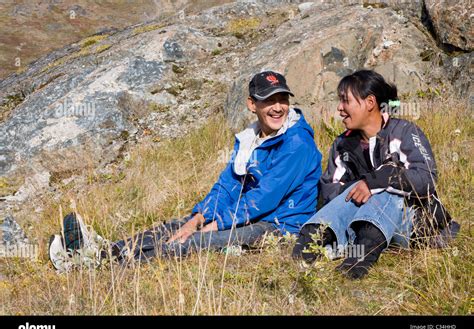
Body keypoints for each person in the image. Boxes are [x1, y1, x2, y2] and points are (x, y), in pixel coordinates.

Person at [49, 71, 322, 270]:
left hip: (279, 225)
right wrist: (197, 219)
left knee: (187, 244)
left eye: (282, 99)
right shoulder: (251, 138)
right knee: (175, 227)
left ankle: (97, 269)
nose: (278, 107)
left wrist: (213, 227)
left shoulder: (297, 143)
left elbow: (264, 199)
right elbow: (227, 185)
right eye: (268, 100)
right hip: (252, 215)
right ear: (252, 105)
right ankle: (102, 253)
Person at [292, 70, 459, 279]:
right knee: (362, 189)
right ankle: (308, 242)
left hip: (414, 224)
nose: (339, 108)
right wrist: (362, 189)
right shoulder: (342, 144)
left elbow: (426, 180)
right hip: (358, 224)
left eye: (345, 101)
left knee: (385, 190)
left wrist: (376, 182)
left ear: (370, 102)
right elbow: (329, 193)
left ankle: (358, 260)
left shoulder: (405, 132)